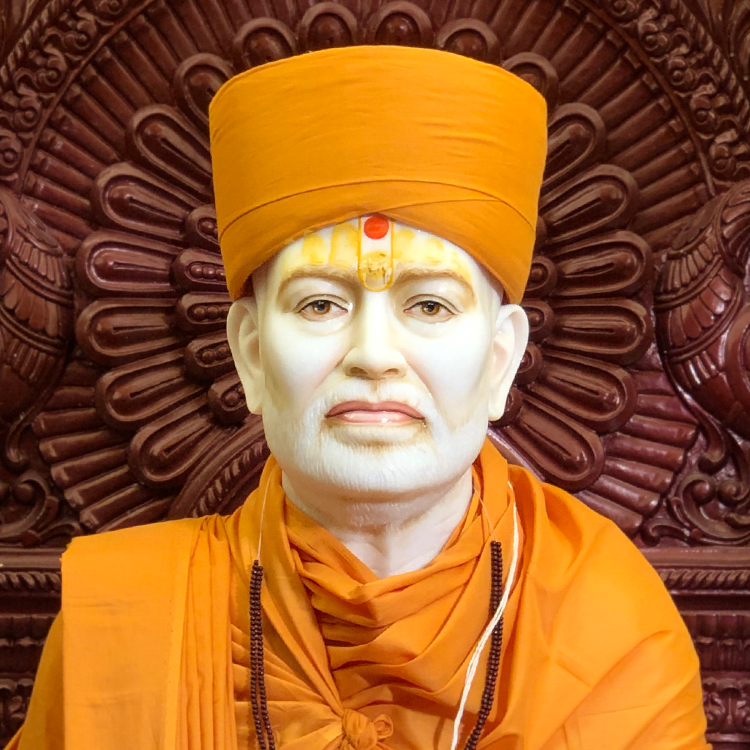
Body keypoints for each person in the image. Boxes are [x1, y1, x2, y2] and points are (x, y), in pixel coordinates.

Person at [8, 46, 709, 750]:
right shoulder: (122, 621)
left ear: (500, 360)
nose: (374, 354)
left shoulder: (610, 630)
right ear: (252, 354)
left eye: (429, 305)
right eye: (320, 304)